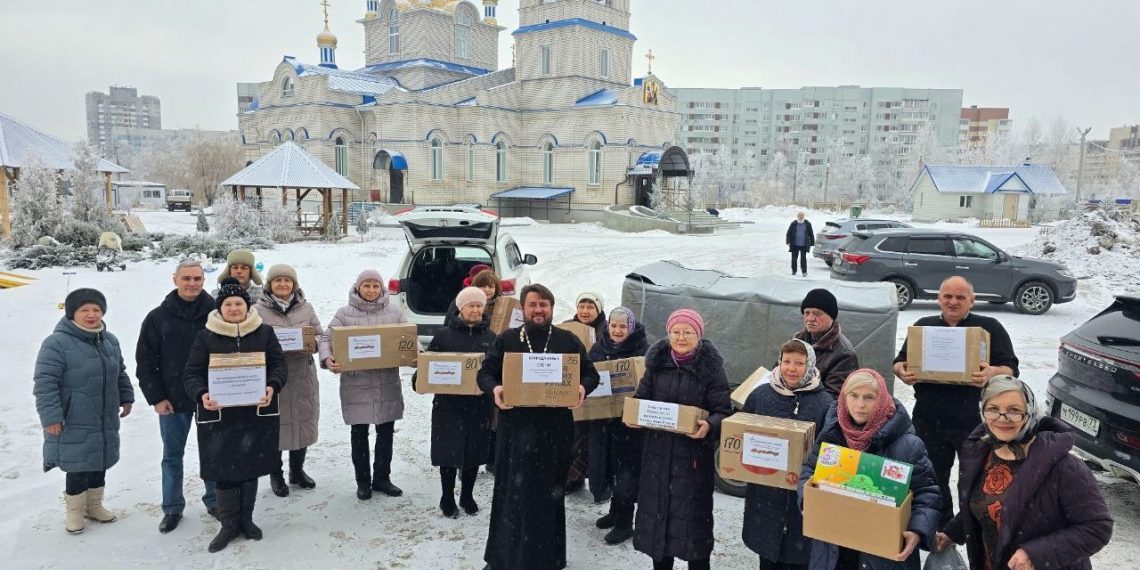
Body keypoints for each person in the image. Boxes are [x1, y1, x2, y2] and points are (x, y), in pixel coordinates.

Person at [477, 283, 600, 570]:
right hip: (515, 430)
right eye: (533, 304)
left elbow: (590, 373)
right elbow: (485, 373)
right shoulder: (507, 339)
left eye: (544, 304)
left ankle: (548, 558)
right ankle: (502, 557)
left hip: (554, 432)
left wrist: (582, 388)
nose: (538, 309)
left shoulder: (567, 340)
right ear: (523, 308)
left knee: (549, 495)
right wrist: (494, 389)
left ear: (552, 308)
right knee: (510, 494)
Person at [933, 376, 1113, 570]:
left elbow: (1097, 527)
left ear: (1030, 413)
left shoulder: (1064, 466)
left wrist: (1036, 554)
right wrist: (953, 532)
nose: (1003, 418)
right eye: (993, 409)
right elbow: (988, 505)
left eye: (1014, 411)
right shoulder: (981, 455)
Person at [892, 276, 1019, 526]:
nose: (953, 302)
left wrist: (992, 372)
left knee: (976, 479)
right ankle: (942, 529)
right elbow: (900, 361)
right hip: (930, 418)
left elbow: (1012, 368)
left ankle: (973, 528)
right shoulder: (924, 327)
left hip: (973, 421)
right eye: (947, 296)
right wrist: (901, 371)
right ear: (939, 299)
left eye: (960, 297)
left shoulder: (989, 328)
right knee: (932, 478)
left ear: (972, 300)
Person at [183, 277, 286, 553]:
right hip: (220, 416)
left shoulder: (263, 332)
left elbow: (278, 365)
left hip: (254, 413)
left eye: (238, 303)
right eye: (228, 304)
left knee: (250, 467)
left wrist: (271, 386)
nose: (233, 308)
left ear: (246, 305)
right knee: (224, 469)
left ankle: (247, 520)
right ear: (220, 308)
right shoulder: (206, 335)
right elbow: (191, 373)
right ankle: (229, 524)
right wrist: (201, 394)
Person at [799, 369, 941, 569]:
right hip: (833, 551)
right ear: (844, 398)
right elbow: (808, 469)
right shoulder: (832, 434)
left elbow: (927, 493)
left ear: (882, 400)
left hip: (883, 555)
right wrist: (808, 500)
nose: (860, 405)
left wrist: (917, 530)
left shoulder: (908, 445)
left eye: (869, 397)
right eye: (854, 396)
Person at [630, 308, 733, 570]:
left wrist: (709, 425)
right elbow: (641, 398)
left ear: (698, 335)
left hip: (692, 462)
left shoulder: (711, 369)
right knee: (658, 526)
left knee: (693, 530)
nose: (681, 337)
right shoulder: (656, 364)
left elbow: (723, 411)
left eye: (688, 332)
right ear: (668, 334)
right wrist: (634, 414)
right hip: (656, 458)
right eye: (676, 331)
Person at [34, 288, 135, 535]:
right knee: (78, 466)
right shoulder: (56, 343)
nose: (91, 315)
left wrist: (126, 396)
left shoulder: (109, 340)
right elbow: (45, 384)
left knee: (99, 461)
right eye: (84, 310)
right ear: (72, 313)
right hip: (73, 417)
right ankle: (75, 513)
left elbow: (119, 371)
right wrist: (52, 417)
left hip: (103, 416)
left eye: (96, 310)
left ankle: (95, 505)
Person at [136, 259, 218, 533]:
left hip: (211, 397)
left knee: (213, 452)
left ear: (203, 281)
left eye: (197, 279)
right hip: (173, 399)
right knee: (172, 455)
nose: (192, 283)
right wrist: (156, 397)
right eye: (186, 278)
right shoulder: (157, 318)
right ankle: (172, 507)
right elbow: (146, 362)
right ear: (175, 280)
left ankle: (215, 499)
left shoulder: (217, 314)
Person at [319, 270, 410, 500]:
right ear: (358, 288)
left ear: (382, 289)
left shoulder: (394, 312)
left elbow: (408, 338)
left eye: (375, 286)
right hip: (356, 383)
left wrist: (416, 353)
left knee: (385, 432)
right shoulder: (344, 314)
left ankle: (382, 478)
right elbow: (326, 339)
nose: (371, 290)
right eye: (366, 285)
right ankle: (363, 481)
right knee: (359, 433)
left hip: (386, 382)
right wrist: (328, 358)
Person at [742, 339, 832, 570]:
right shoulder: (760, 395)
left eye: (799, 363)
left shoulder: (824, 403)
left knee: (798, 558)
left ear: (810, 365)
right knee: (768, 557)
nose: (791, 368)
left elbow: (830, 451)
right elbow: (742, 434)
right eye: (787, 361)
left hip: (801, 501)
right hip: (765, 496)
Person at [415, 287, 496, 518]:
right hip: (448, 406)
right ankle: (447, 496)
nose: (475, 310)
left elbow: (496, 370)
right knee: (448, 453)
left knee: (474, 453)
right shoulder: (443, 336)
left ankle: (467, 495)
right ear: (460, 308)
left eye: (479, 305)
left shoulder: (491, 338)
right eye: (471, 305)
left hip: (478, 407)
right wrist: (420, 377)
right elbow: (428, 367)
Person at [253, 264, 324, 498]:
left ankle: (297, 471)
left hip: (302, 374)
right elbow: (251, 342)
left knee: (302, 422)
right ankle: (276, 474)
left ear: (294, 284)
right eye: (277, 281)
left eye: (287, 280)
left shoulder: (306, 308)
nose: (283, 284)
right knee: (276, 427)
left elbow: (320, 336)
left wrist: (311, 343)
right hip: (273, 378)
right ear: (269, 285)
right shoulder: (257, 311)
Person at [587, 306, 649, 545]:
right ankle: (614, 512)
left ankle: (625, 523)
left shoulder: (643, 351)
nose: (617, 330)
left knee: (626, 474)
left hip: (629, 426)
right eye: (613, 325)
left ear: (631, 327)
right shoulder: (598, 348)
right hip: (603, 422)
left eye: (623, 326)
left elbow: (647, 385)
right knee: (608, 467)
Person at [565, 290, 607, 497]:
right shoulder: (566, 328)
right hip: (572, 389)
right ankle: (573, 477)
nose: (585, 311)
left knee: (596, 438)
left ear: (598, 310)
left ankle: (600, 483)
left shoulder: (607, 331)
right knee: (574, 436)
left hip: (598, 389)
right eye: (582, 306)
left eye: (590, 307)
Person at [793, 288, 858, 397]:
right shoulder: (795, 339)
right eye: (806, 313)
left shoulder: (844, 354)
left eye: (817, 314)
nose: (810, 318)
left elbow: (832, 398)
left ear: (831, 317)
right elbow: (777, 370)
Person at [785, 211, 815, 277]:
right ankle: (794, 271)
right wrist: (788, 241)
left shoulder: (807, 223)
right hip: (794, 245)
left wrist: (812, 242)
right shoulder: (793, 223)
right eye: (799, 216)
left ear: (804, 216)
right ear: (797, 216)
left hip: (804, 245)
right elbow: (788, 233)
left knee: (803, 259)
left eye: (802, 216)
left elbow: (811, 234)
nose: (800, 217)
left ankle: (804, 272)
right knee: (794, 259)